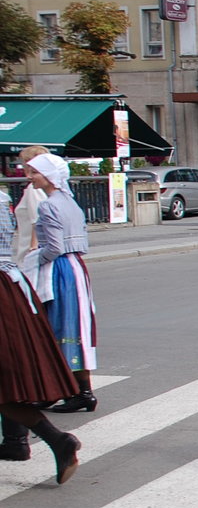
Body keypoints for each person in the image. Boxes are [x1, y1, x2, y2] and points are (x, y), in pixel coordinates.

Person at [0, 188, 82, 482]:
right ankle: (26, 441)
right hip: (10, 284)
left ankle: (53, 440)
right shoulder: (1, 197)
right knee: (6, 379)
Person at [23, 152, 98, 413]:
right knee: (73, 328)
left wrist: (34, 259)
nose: (29, 176)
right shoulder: (68, 200)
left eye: (34, 172)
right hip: (75, 267)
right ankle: (76, 391)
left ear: (50, 176)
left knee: (57, 327)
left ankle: (72, 392)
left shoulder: (49, 204)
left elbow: (53, 247)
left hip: (59, 270)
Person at [13, 145, 49, 265]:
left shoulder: (33, 189)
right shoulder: (50, 187)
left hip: (29, 253)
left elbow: (37, 221)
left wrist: (33, 250)